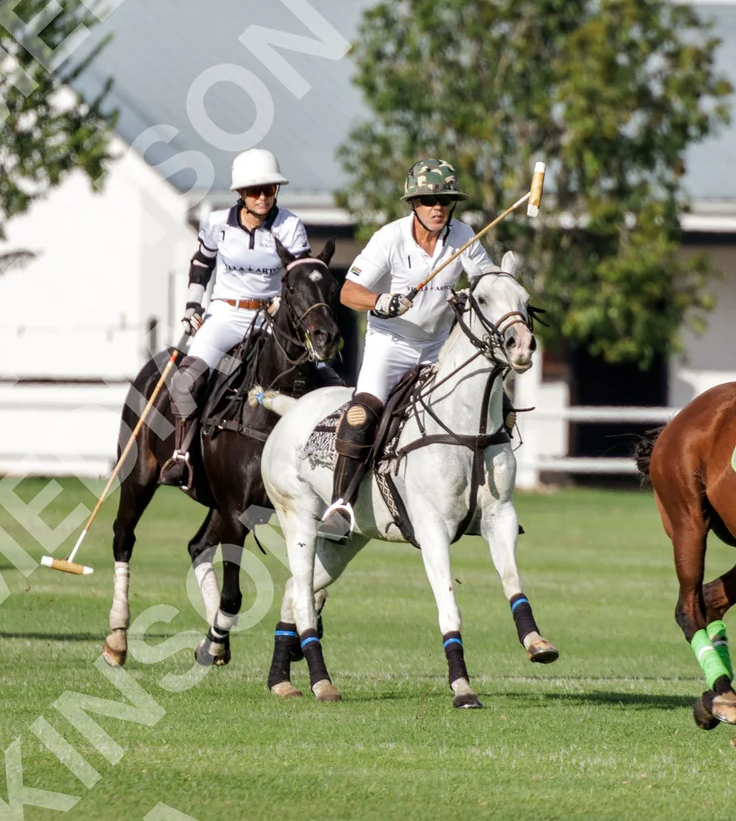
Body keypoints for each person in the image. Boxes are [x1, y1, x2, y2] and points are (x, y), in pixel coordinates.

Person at [317, 158, 497, 541]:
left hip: (439, 347)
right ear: (413, 203)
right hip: (391, 345)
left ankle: (487, 503)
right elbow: (348, 292)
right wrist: (381, 301)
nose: (438, 207)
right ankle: (340, 506)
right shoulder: (390, 239)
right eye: (428, 200)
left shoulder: (463, 235)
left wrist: (476, 294)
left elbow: (488, 283)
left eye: (445, 200)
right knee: (361, 415)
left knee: (493, 406)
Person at [161, 148, 310, 489]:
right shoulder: (217, 223)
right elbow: (201, 264)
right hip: (226, 314)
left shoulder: (289, 226)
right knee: (185, 382)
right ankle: (182, 456)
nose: (262, 197)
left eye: (268, 189)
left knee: (318, 375)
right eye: (254, 191)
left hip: (271, 318)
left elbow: (301, 273)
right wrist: (192, 306)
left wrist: (282, 304)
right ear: (241, 193)